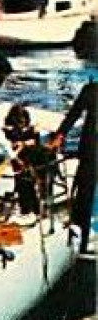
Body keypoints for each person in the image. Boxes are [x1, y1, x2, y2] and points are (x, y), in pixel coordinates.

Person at [51, 81, 97, 254]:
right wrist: (60, 136)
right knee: (84, 198)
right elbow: (73, 114)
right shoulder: (91, 90)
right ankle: (79, 243)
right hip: (91, 152)